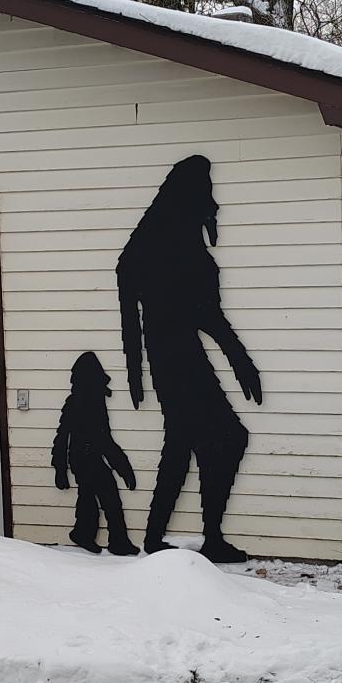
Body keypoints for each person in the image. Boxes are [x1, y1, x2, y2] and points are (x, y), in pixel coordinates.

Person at [116, 154, 261, 561]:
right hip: (176, 362)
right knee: (228, 438)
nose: (213, 204)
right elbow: (197, 314)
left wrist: (240, 362)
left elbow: (204, 315)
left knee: (181, 445)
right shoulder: (167, 245)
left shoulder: (167, 241)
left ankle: (157, 537)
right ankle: (209, 537)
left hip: (177, 360)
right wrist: (134, 371)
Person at [52, 351, 139, 555]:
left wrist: (122, 466)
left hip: (90, 456)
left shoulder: (95, 400)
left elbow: (104, 438)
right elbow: (62, 437)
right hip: (82, 458)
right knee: (107, 496)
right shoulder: (77, 402)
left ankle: (85, 533)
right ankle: (115, 540)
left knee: (90, 496)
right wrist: (60, 470)